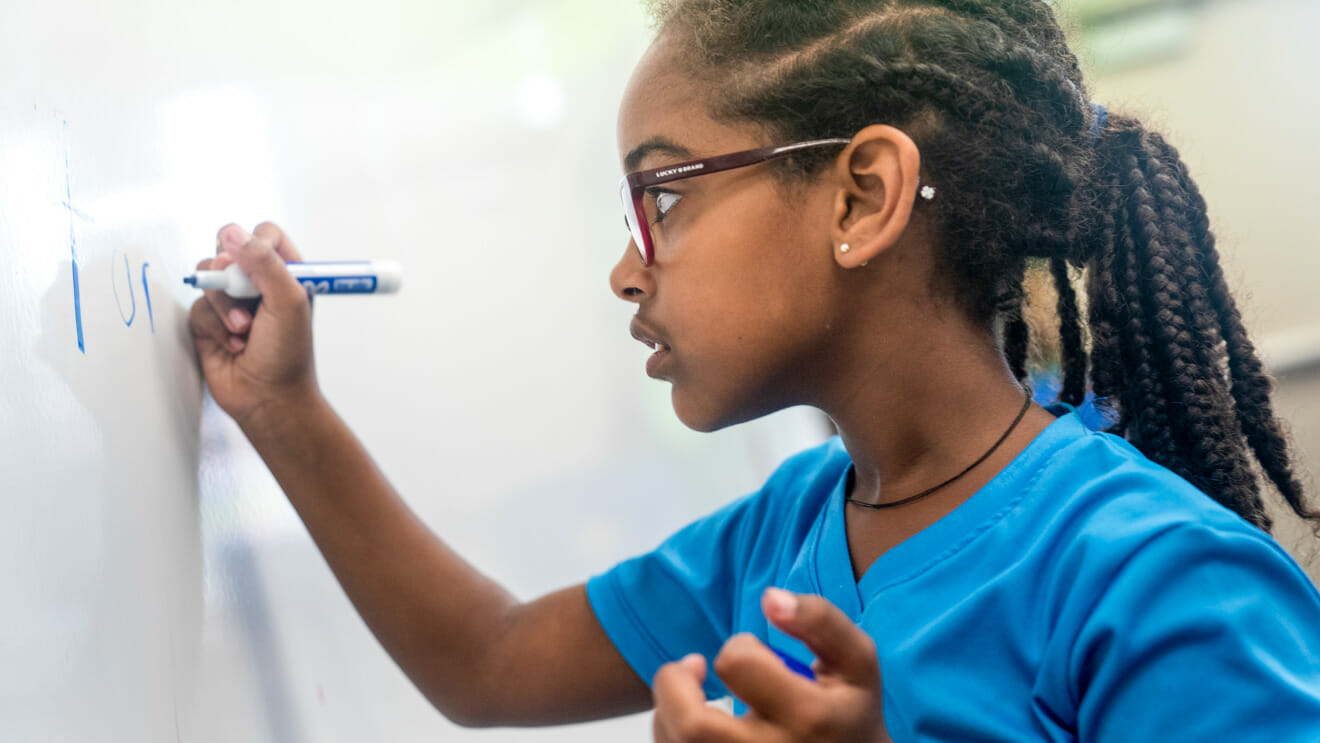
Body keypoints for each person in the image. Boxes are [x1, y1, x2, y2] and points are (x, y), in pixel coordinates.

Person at [187, 1, 1320, 740]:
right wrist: (284, 410)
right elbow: (488, 659)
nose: (627, 271)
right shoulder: (786, 525)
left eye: (664, 195)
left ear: (862, 195)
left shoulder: (1161, 580)